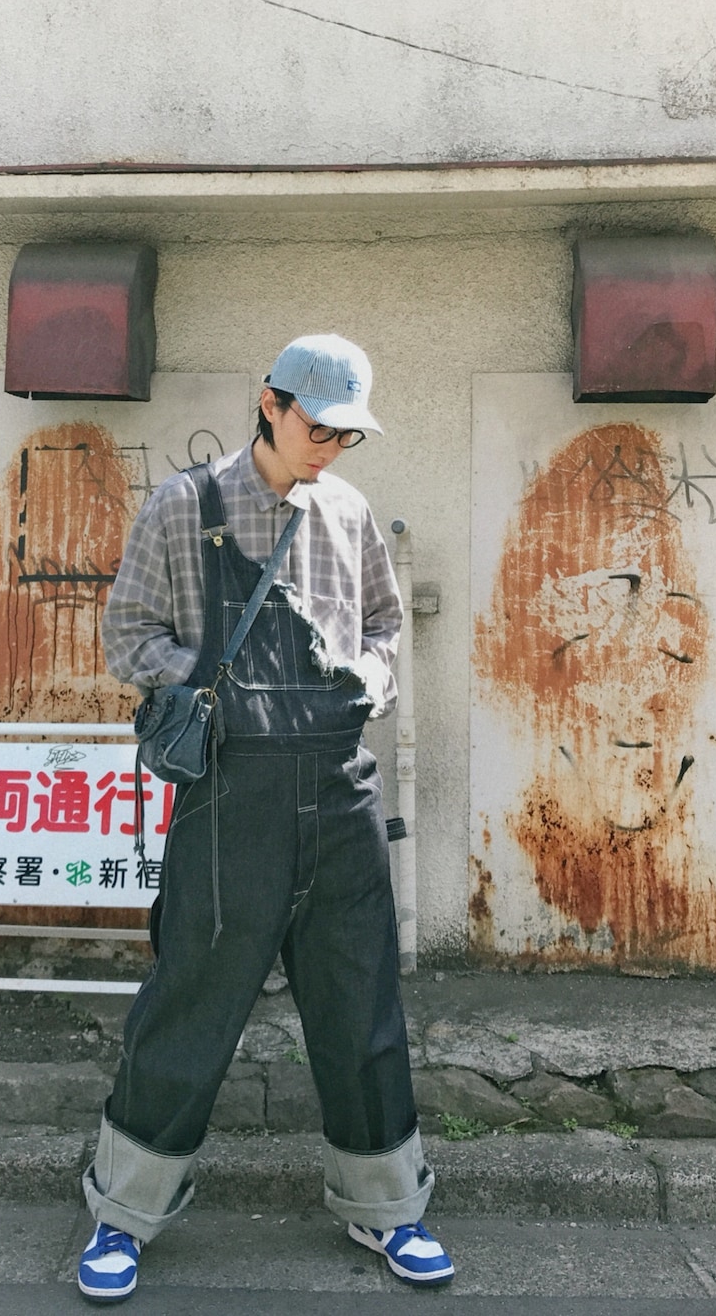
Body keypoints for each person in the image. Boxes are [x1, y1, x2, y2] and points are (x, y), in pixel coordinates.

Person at [77, 334, 453, 1302]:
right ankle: (123, 1214)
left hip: (339, 785)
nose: (329, 448)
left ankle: (387, 1208)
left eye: (345, 435)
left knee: (360, 1003)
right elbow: (128, 634)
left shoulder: (349, 512)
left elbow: (384, 622)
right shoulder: (184, 505)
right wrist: (210, 687)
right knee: (190, 1002)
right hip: (228, 792)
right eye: (316, 427)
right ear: (269, 404)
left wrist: (369, 677)